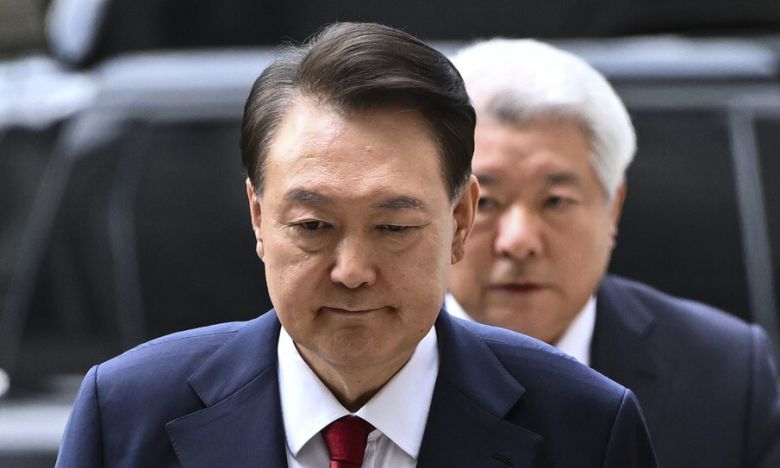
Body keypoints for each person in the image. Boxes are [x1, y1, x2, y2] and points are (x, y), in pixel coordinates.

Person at [55, 23, 657, 467]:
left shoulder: (585, 427)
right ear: (259, 217)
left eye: (393, 228)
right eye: (313, 226)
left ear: (460, 220)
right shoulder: (128, 415)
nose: (352, 271)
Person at [447, 38, 780, 468]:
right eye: (488, 202)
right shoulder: (376, 352)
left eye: (556, 201)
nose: (519, 241)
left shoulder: (723, 369)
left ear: (613, 208)